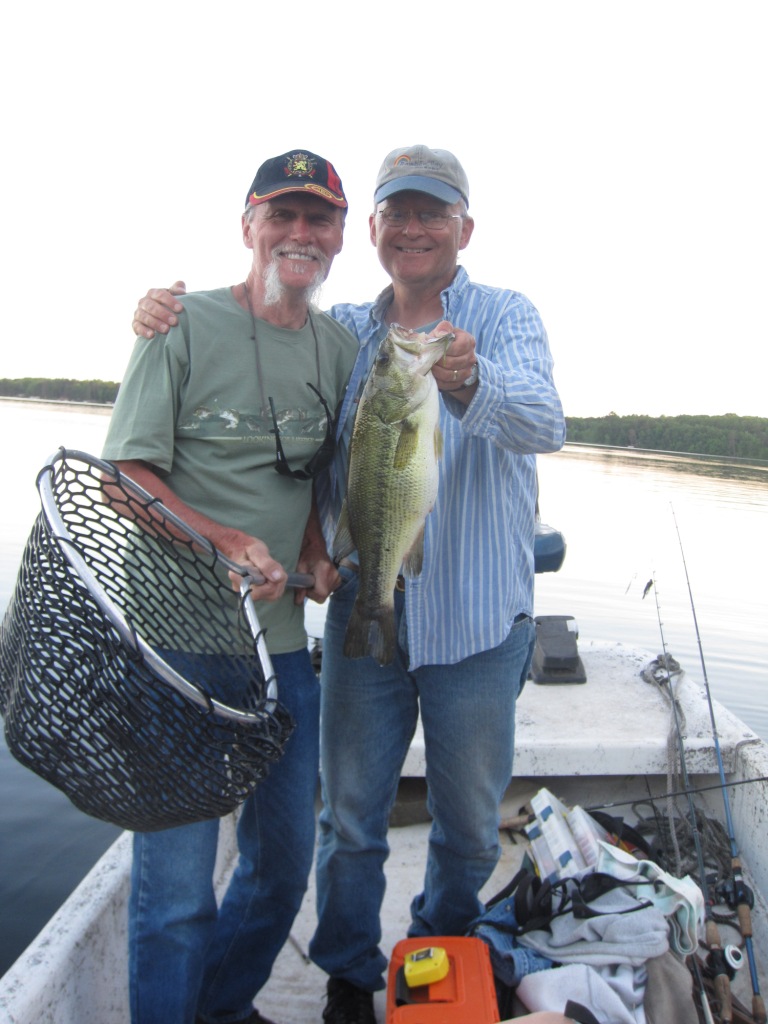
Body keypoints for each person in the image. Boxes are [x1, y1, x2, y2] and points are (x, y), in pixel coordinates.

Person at [132, 145, 566, 1024]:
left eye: (432, 212)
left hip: (479, 625)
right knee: (351, 820)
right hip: (368, 615)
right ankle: (347, 976)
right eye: (396, 212)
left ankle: (433, 952)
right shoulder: (349, 334)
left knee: (471, 829)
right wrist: (321, 552)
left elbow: (545, 422)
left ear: (463, 229)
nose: (413, 228)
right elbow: (322, 467)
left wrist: (470, 377)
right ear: (369, 230)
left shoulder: (505, 315)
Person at [105, 149, 358, 1024]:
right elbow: (121, 478)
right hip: (174, 649)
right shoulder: (178, 324)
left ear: (337, 238)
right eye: (281, 215)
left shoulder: (342, 347)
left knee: (285, 866)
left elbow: (314, 481)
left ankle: (212, 1008)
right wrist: (224, 541)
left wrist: (318, 554)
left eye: (317, 218)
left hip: (283, 652)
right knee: (176, 893)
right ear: (247, 224)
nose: (299, 233)